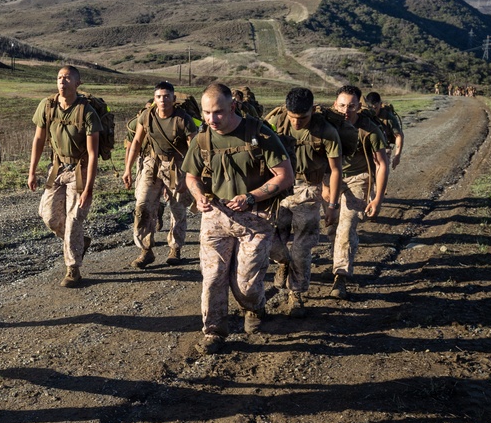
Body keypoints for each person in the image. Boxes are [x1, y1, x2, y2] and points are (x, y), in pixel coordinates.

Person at [183, 84, 294, 353]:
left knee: (245, 285)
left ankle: (255, 307)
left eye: (218, 112)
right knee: (212, 277)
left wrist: (251, 197)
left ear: (232, 107)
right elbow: (191, 176)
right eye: (207, 113)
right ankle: (214, 331)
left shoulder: (259, 134)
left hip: (254, 218)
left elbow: (285, 176)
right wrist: (198, 196)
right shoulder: (203, 139)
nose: (212, 119)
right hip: (216, 215)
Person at [265, 87, 344, 317]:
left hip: (309, 190)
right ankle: (283, 262)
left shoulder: (326, 131)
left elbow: (336, 169)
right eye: (292, 117)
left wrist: (332, 205)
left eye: (302, 118)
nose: (296, 123)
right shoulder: (275, 123)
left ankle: (296, 294)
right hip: (278, 188)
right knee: (268, 238)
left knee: (301, 248)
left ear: (313, 109)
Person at [28, 65, 101, 288]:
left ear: (77, 83)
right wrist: (32, 171)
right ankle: (79, 242)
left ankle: (73, 269)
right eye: (59, 77)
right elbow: (39, 140)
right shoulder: (47, 106)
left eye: (67, 78)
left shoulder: (87, 112)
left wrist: (88, 189)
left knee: (73, 220)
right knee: (48, 215)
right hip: (57, 169)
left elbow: (92, 153)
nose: (62, 81)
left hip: (80, 170)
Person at [122, 81, 197, 268]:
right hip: (151, 163)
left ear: (173, 98)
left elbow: (194, 151)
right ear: (154, 99)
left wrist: (188, 176)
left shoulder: (183, 119)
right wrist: (128, 169)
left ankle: (175, 248)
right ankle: (146, 250)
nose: (162, 100)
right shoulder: (147, 116)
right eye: (159, 97)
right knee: (142, 206)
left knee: (177, 209)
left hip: (177, 165)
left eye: (166, 96)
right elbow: (137, 143)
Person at [329, 85, 389, 300]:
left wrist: (377, 199)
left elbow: (382, 164)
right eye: (342, 105)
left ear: (359, 106)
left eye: (352, 106)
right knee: (327, 225)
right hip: (328, 178)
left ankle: (340, 276)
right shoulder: (327, 124)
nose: (346, 111)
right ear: (335, 104)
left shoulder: (369, 130)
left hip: (358, 179)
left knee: (346, 226)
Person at [364, 91, 403, 170]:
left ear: (380, 104)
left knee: (382, 170)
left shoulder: (388, 118)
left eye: (375, 108)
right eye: (370, 108)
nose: (373, 111)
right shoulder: (363, 115)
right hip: (367, 149)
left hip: (384, 148)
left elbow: (398, 136)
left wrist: (397, 156)